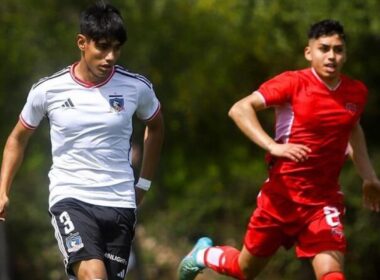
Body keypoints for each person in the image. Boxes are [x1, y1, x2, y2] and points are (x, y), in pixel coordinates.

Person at [178, 19, 380, 280]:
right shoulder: (292, 83)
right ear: (309, 52)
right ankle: (203, 255)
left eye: (338, 50)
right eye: (324, 48)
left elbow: (353, 129)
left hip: (323, 202)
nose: (331, 56)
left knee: (332, 273)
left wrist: (369, 176)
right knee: (244, 269)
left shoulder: (356, 92)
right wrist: (274, 146)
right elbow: (239, 109)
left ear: (345, 54)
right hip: (280, 197)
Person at [0, 2, 164, 279]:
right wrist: (3, 188)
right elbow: (17, 138)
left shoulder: (136, 88)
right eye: (102, 47)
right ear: (82, 42)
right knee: (93, 276)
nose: (110, 56)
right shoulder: (48, 90)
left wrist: (144, 184)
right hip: (71, 197)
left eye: (117, 48)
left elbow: (156, 127)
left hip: (120, 202)